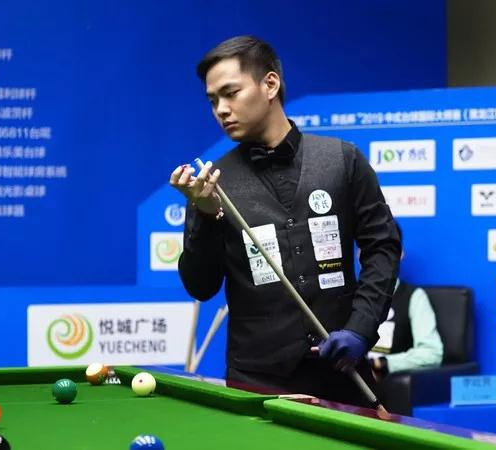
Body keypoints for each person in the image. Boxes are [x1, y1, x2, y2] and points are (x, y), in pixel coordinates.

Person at [170, 35, 400, 407]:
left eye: (231, 93)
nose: (221, 110)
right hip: (257, 382)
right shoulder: (212, 184)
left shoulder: (342, 160)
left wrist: (360, 329)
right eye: (213, 101)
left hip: (344, 374)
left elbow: (382, 248)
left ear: (270, 84)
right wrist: (207, 215)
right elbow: (200, 286)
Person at [369, 222, 443, 379]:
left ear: (400, 254)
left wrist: (382, 363)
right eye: (367, 248)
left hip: (386, 382)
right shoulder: (348, 296)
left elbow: (431, 353)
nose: (377, 257)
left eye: (385, 249)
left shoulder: (414, 297)